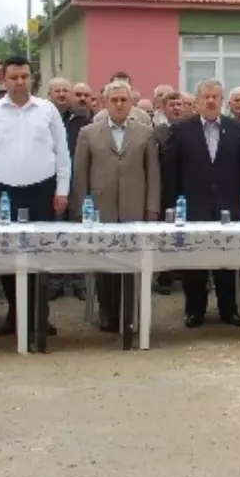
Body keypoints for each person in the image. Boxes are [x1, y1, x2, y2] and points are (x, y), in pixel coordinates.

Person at [0, 55, 71, 338]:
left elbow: (62, 154)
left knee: (40, 254)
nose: (19, 82)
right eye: (13, 77)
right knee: (8, 256)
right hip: (1, 190)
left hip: (42, 189)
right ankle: (15, 315)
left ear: (31, 78)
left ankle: (40, 315)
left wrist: (62, 190)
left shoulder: (47, 110)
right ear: (4, 79)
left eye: (24, 76)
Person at [71, 81, 161, 333]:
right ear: (104, 103)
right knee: (106, 264)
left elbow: (153, 172)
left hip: (135, 206)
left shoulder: (145, 132)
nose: (120, 105)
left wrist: (152, 207)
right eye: (115, 100)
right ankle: (107, 313)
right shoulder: (88, 133)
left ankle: (129, 314)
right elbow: (80, 174)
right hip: (101, 208)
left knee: (132, 264)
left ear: (131, 104)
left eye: (124, 100)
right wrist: (80, 210)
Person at [162, 78, 240, 328]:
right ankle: (195, 310)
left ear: (222, 101)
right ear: (198, 101)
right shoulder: (181, 130)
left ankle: (228, 309)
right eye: (206, 97)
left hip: (227, 205)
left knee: (226, 260)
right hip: (193, 205)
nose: (211, 101)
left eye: (216, 97)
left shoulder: (236, 129)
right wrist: (170, 206)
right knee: (195, 261)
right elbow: (171, 172)